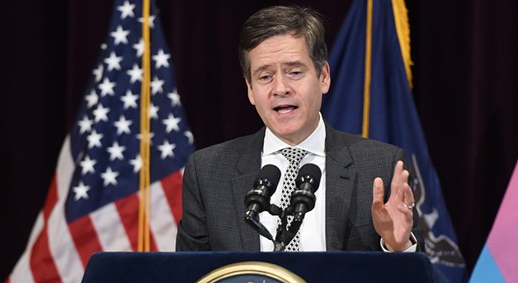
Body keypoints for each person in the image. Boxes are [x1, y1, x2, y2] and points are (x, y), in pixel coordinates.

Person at [176, 5, 418, 252]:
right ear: (250, 89)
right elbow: (189, 282)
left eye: (294, 72)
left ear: (323, 76)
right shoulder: (208, 172)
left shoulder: (380, 167)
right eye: (265, 76)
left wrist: (398, 247)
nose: (280, 88)